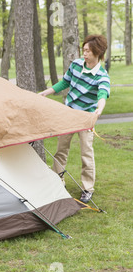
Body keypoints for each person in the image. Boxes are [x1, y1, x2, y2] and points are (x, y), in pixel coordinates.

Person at [39, 35, 110, 204]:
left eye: (88, 51)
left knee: (86, 153)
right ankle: (57, 180)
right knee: (61, 149)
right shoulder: (76, 65)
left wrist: (99, 109)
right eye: (83, 50)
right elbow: (65, 82)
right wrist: (45, 93)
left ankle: (87, 188)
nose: (84, 54)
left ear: (97, 52)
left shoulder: (101, 75)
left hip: (86, 117)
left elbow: (102, 94)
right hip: (69, 113)